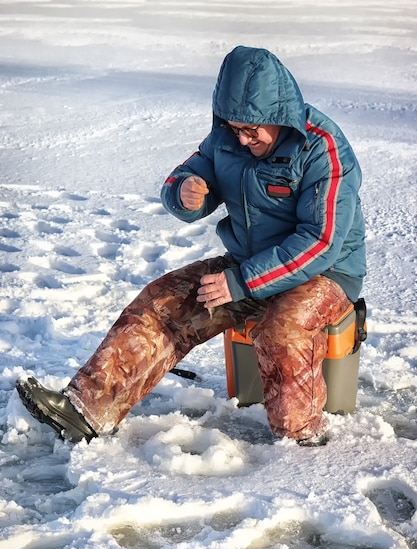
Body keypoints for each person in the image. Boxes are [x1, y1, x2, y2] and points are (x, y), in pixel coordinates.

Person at [16, 45, 366, 446]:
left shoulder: (322, 148)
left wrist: (240, 283)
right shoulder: (226, 140)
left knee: (282, 329)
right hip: (248, 264)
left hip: (326, 272)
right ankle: (87, 411)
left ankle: (301, 441)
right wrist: (184, 193)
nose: (244, 138)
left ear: (280, 116)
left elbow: (319, 242)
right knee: (164, 303)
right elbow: (182, 176)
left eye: (253, 130)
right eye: (236, 128)